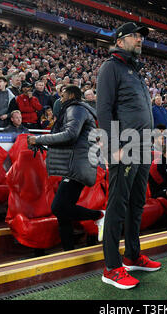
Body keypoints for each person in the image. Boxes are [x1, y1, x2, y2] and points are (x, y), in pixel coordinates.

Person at [96, 22, 161, 290]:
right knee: (117, 205)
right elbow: (103, 110)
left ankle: (132, 255)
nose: (139, 40)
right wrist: (112, 148)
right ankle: (111, 267)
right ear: (120, 41)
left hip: (143, 145)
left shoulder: (134, 71)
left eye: (140, 37)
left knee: (137, 203)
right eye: (135, 36)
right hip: (125, 145)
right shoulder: (110, 67)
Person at [27, 85, 104, 250]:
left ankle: (99, 215)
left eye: (62, 96)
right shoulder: (77, 110)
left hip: (77, 165)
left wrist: (39, 139)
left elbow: (70, 135)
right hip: (73, 163)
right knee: (63, 213)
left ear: (70, 95)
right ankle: (68, 251)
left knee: (58, 207)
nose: (60, 99)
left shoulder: (76, 109)